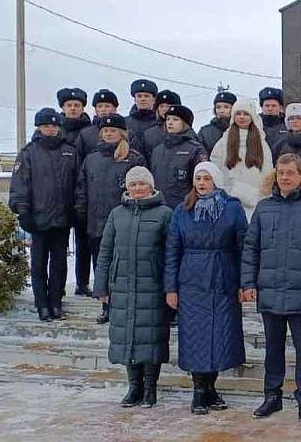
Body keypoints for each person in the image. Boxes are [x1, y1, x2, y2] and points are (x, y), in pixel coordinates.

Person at [241, 154, 301, 422]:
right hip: (270, 289)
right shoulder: (264, 208)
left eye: (290, 173)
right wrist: (248, 282)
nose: (284, 177)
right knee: (273, 347)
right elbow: (251, 247)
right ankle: (272, 396)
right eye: (280, 172)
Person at [165, 162, 248, 414]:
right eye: (198, 178)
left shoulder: (232, 208)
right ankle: (199, 391)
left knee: (219, 335)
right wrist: (171, 287)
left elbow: (244, 247)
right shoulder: (182, 210)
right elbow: (172, 250)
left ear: (216, 181)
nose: (201, 183)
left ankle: (211, 388)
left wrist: (245, 283)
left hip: (224, 278)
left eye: (206, 178)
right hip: (191, 280)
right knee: (196, 337)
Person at [93, 166, 173, 408]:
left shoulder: (165, 214)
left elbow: (171, 254)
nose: (137, 189)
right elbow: (105, 251)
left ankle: (150, 389)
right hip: (123, 285)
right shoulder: (117, 214)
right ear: (127, 187)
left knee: (151, 336)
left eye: (142, 184)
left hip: (152, 284)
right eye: (133, 184)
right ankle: (134, 387)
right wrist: (101, 286)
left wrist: (170, 286)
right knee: (127, 335)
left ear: (151, 186)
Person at [74, 113, 146, 324]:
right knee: (102, 266)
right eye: (105, 131)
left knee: (126, 268)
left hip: (125, 223)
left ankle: (127, 307)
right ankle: (106, 306)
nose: (108, 134)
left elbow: (143, 188)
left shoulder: (133, 158)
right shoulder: (91, 159)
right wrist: (81, 211)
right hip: (97, 223)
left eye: (112, 130)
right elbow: (81, 188)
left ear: (121, 133)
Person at [9, 108, 80, 322]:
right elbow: (20, 184)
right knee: (39, 264)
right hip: (38, 219)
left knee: (59, 264)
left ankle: (56, 303)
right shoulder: (29, 152)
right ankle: (42, 305)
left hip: (62, 218)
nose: (51, 129)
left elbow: (79, 184)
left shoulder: (70, 151)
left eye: (55, 125)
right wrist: (23, 212)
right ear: (39, 127)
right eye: (47, 125)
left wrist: (77, 211)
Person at [56, 87, 97, 297]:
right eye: (69, 105)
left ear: (83, 108)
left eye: (77, 105)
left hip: (84, 193)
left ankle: (83, 283)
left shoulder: (90, 131)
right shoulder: (55, 130)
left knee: (84, 242)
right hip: (60, 194)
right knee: (60, 245)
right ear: (63, 107)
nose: (73, 108)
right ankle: (57, 286)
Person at [209, 98, 274, 221]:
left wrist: (262, 196)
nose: (242, 117)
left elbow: (268, 171)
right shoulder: (224, 141)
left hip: (256, 199)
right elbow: (216, 168)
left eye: (246, 114)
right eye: (238, 114)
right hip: (229, 199)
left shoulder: (261, 142)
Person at [149, 104, 208, 208]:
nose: (170, 122)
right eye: (168, 119)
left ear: (185, 123)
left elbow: (202, 182)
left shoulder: (196, 149)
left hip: (185, 208)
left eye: (175, 119)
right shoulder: (158, 150)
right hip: (158, 208)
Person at [141, 89, 184, 161]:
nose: (164, 109)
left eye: (168, 106)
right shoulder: (149, 134)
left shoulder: (186, 131)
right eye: (161, 106)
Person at [126, 79, 160, 152]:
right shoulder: (124, 122)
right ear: (134, 99)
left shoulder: (161, 122)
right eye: (139, 96)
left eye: (146, 96)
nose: (143, 99)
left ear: (154, 99)